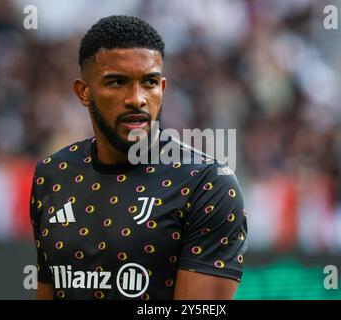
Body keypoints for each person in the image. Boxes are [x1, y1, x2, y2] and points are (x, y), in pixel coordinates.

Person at [30, 15, 247, 300]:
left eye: (149, 82)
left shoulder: (206, 183)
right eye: (117, 82)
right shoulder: (53, 174)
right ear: (84, 92)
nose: (137, 98)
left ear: (163, 88)